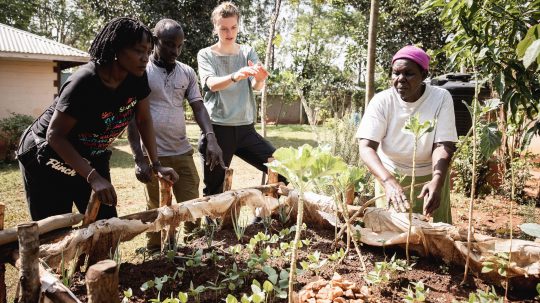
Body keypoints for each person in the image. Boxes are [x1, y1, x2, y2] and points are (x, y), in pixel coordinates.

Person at [16, 17, 179, 221]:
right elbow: (55, 135)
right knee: (55, 231)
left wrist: (156, 164)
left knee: (106, 228)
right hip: (47, 154)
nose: (145, 58)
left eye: (148, 51)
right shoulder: (84, 82)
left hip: (91, 154)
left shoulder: (137, 78)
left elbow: (144, 121)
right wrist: (93, 177)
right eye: (138, 50)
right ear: (116, 49)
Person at [127, 19, 224, 249]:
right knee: (155, 209)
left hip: (181, 152)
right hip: (152, 156)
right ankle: (153, 251)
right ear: (155, 41)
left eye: (179, 46)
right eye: (169, 44)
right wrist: (139, 158)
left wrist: (211, 137)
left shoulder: (187, 72)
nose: (175, 51)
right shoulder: (142, 71)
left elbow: (198, 107)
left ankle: (193, 247)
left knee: (192, 206)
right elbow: (132, 117)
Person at [356, 45, 457, 223]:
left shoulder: (440, 98)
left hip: (430, 177)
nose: (400, 79)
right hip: (390, 175)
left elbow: (444, 144)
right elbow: (366, 147)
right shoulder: (382, 101)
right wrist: (388, 181)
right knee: (389, 237)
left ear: (424, 75)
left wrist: (437, 180)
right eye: (396, 73)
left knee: (435, 239)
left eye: (409, 73)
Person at [197, 1, 284, 196]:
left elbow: (255, 85)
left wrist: (260, 80)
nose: (229, 33)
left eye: (234, 27)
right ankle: (212, 227)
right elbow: (210, 83)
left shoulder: (247, 52)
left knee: (281, 171)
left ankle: (261, 217)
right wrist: (236, 75)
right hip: (217, 132)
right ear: (215, 28)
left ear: (238, 26)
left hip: (246, 130)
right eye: (224, 28)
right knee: (214, 190)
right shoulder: (205, 55)